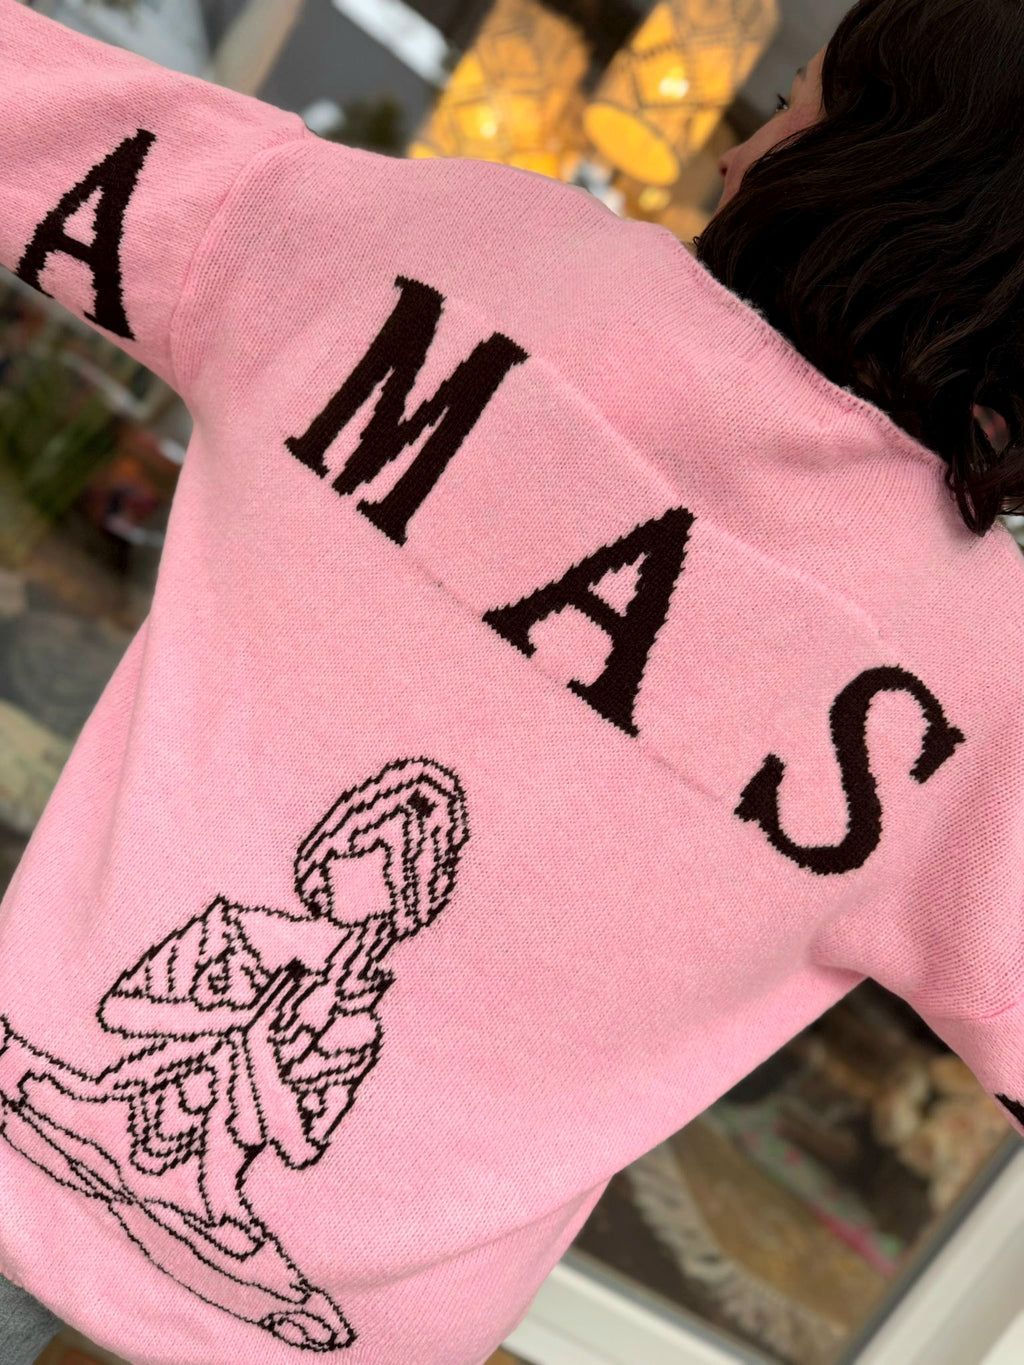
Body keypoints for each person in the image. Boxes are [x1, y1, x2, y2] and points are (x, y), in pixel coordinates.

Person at [1, 1, 1024, 1362]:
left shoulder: (464, 264)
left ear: (887, 166)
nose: (734, 153)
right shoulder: (983, 685)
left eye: (795, 103)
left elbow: (36, 117)